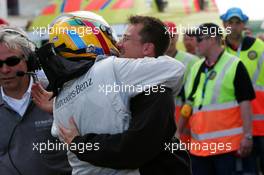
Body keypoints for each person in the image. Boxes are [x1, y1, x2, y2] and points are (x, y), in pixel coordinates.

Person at [33, 12, 190, 175]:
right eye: (117, 37)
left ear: (147, 48)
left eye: (126, 38)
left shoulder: (65, 94)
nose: (118, 43)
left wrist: (80, 143)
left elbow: (135, 147)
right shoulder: (110, 70)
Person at [177, 23, 255, 175]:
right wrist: (178, 132)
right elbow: (189, 104)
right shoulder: (196, 68)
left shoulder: (234, 65)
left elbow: (245, 103)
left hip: (227, 148)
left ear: (212, 39)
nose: (195, 43)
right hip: (199, 148)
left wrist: (248, 136)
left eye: (199, 39)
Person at [0, 26, 71, 175]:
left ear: (30, 61)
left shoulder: (60, 93)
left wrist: (60, 109)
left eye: (12, 61)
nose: (5, 70)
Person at [221, 7, 264, 174]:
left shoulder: (259, 47)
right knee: (246, 171)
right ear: (224, 25)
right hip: (234, 124)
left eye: (237, 22)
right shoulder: (220, 50)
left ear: (243, 24)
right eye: (230, 22)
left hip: (261, 122)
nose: (233, 26)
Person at [164, 21, 199, 144]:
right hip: (162, 119)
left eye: (172, 35)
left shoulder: (193, 61)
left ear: (177, 37)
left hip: (185, 119)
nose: (169, 39)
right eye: (166, 35)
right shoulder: (152, 61)